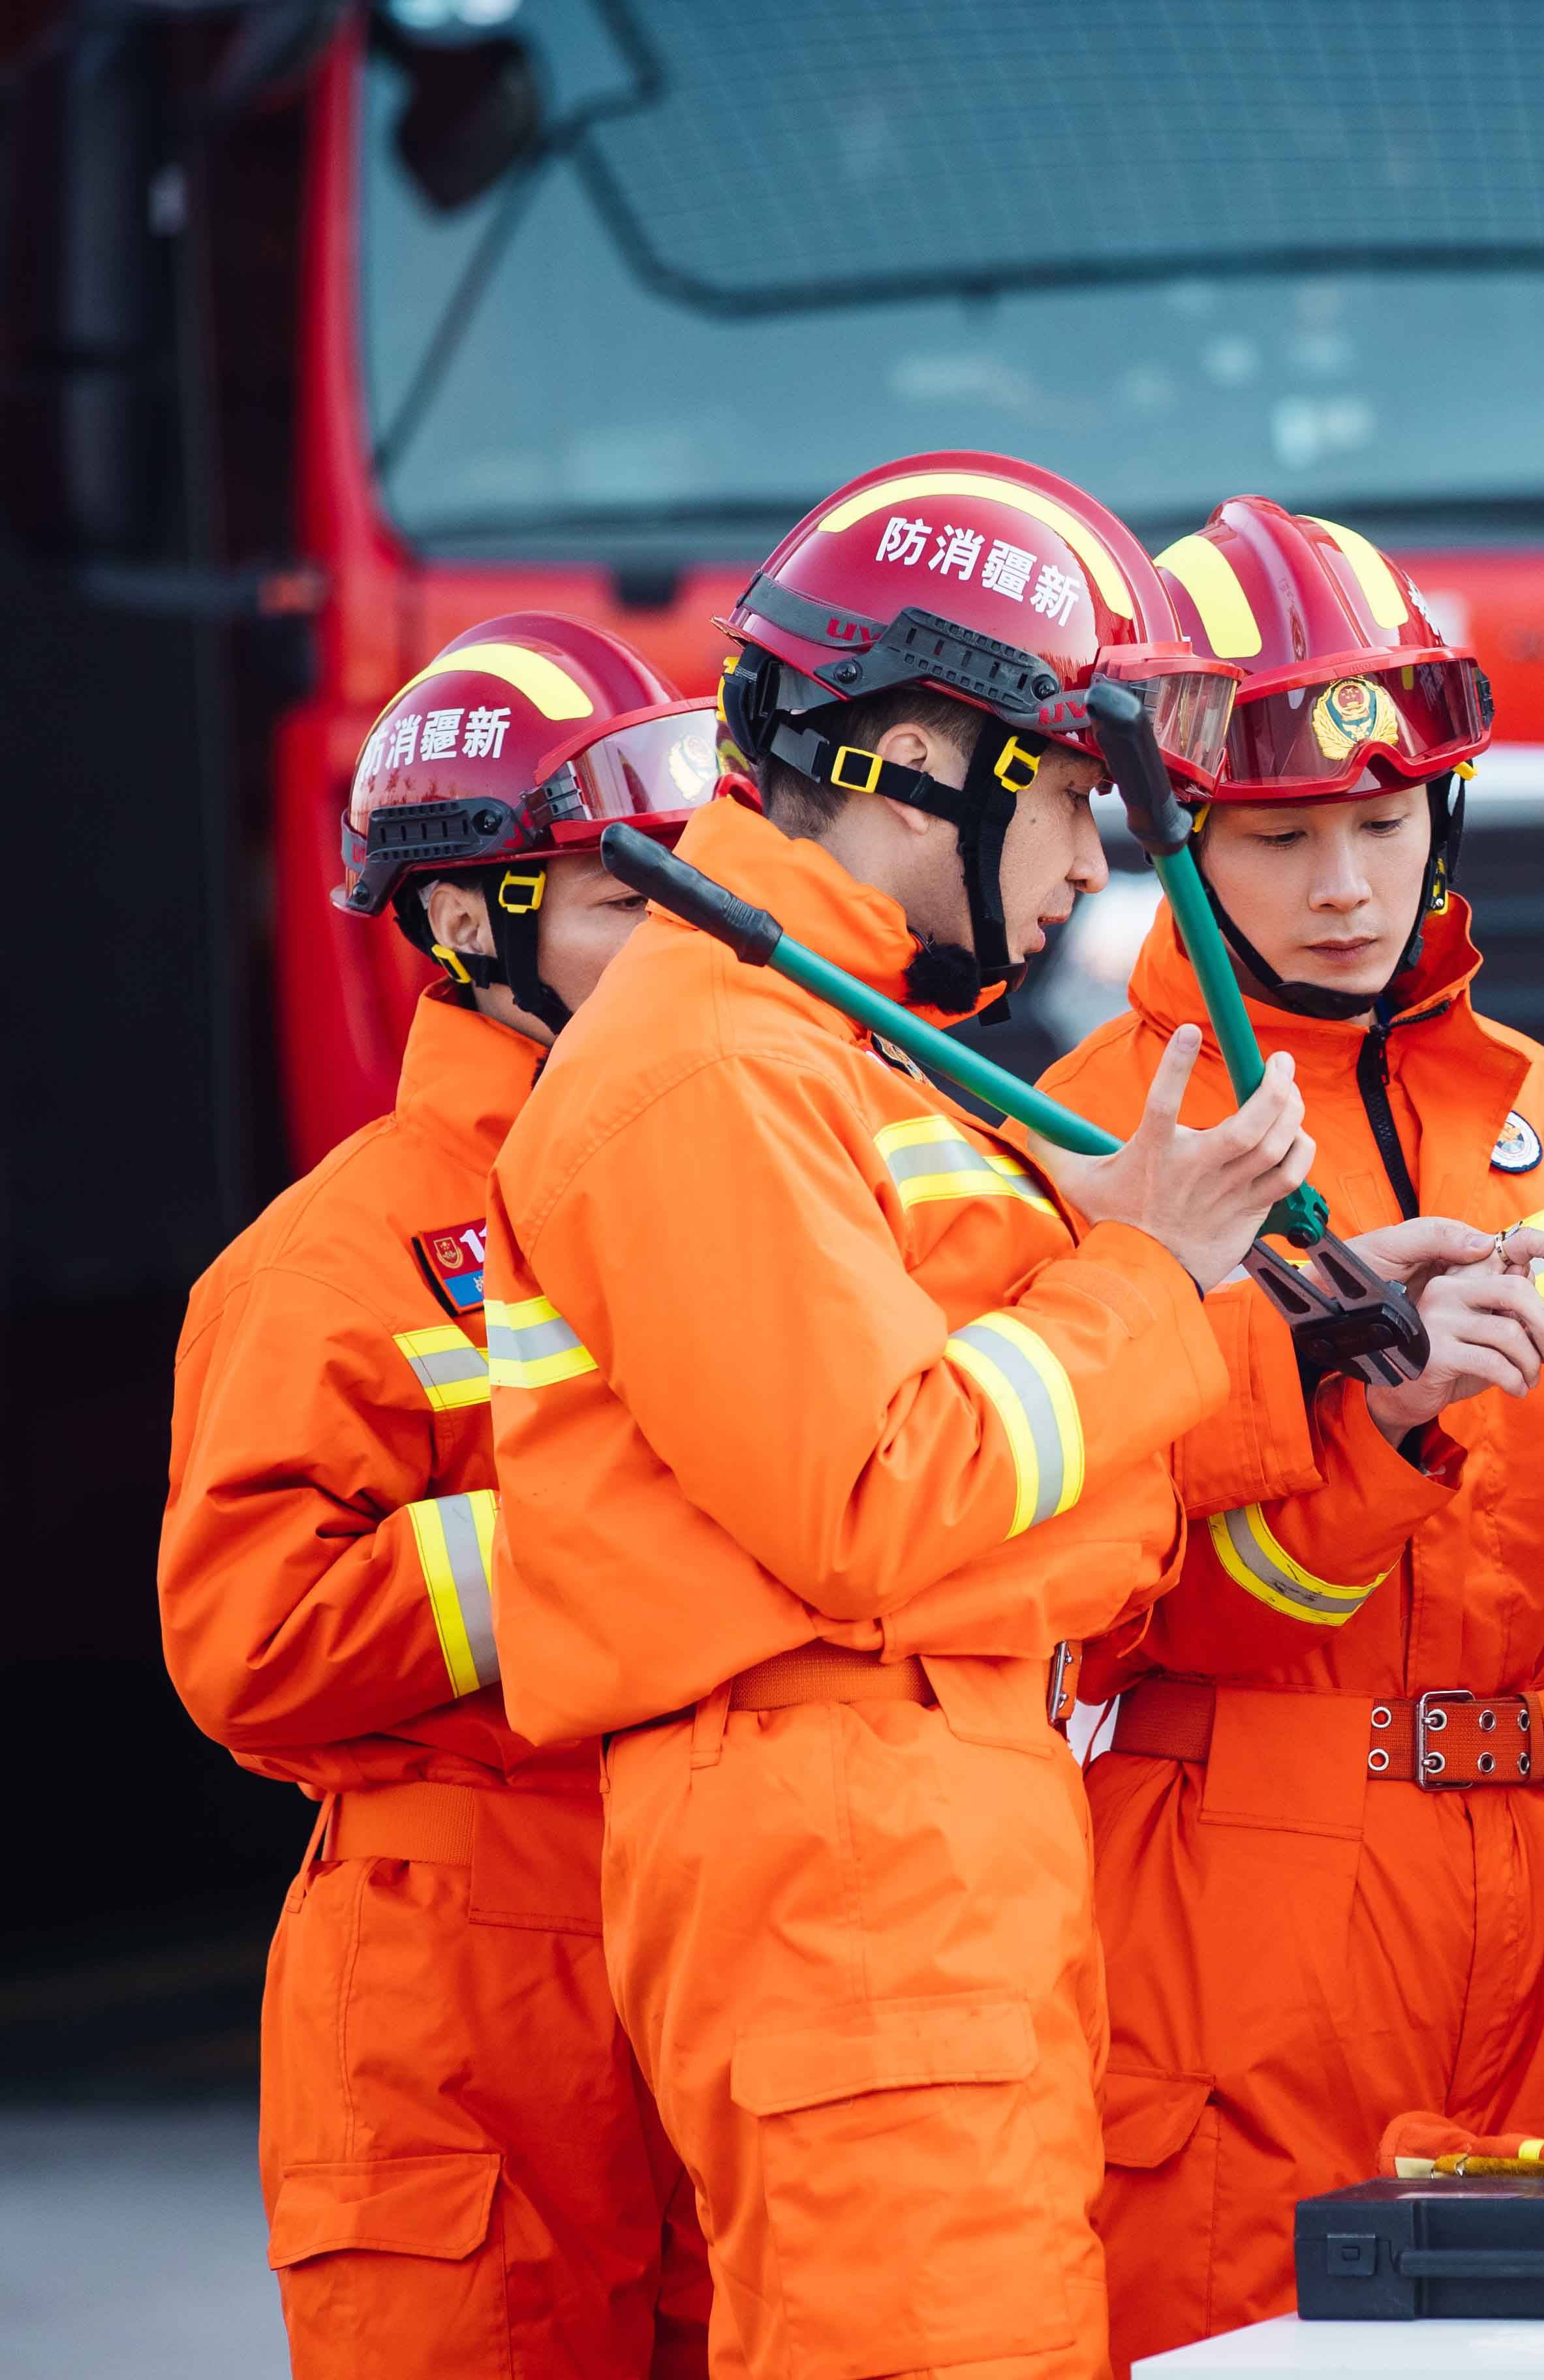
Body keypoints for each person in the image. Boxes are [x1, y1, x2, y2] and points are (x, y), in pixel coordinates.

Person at [478, 452, 1303, 2380]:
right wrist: (1150, 1269)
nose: (1100, 861)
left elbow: (1008, 1444)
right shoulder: (712, 1068)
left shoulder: (815, 1053)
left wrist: (1261, 1314)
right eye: (1084, 794)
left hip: (911, 1850)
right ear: (929, 754)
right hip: (858, 1865)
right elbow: (878, 1490)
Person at [1038, 498, 1544, 2358]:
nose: (1347, 886)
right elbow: (1104, 1595)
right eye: (1282, 840)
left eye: (1380, 824)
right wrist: (1380, 1414)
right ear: (1184, 833)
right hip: (1245, 1882)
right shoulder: (1101, 1139)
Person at [159, 613, 717, 2377]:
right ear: (467, 924)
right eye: (631, 903)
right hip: (453, 1984)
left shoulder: (748, 1186)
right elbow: (248, 1645)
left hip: (710, 1922)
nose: (687, 947)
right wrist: (602, 1524)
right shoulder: (333, 1255)